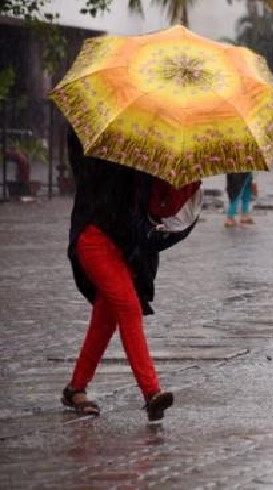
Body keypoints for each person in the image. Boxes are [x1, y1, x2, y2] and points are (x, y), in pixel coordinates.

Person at [63, 129, 202, 422]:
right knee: (127, 306)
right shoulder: (94, 138)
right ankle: (151, 393)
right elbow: (87, 174)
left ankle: (76, 388)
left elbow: (152, 211)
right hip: (94, 234)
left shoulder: (149, 145)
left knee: (105, 318)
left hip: (127, 247)